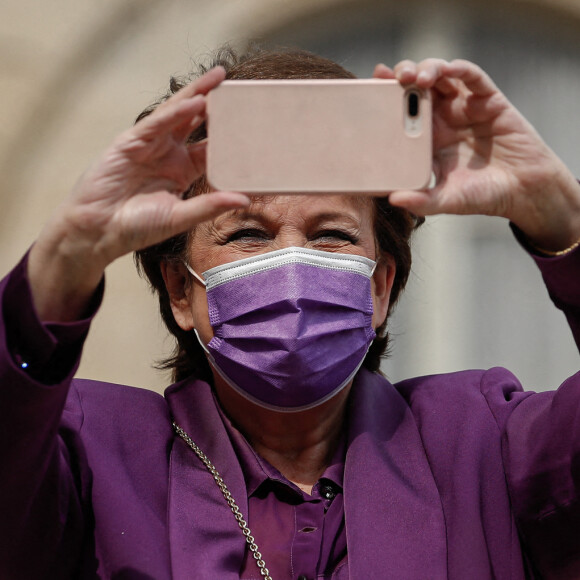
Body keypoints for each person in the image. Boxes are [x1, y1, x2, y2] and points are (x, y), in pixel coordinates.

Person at [1, 45, 579, 580]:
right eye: (248, 233)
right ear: (181, 289)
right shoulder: (92, 456)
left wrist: (559, 213)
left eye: (331, 235)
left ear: (381, 287)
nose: (293, 264)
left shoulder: (483, 448)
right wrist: (69, 251)